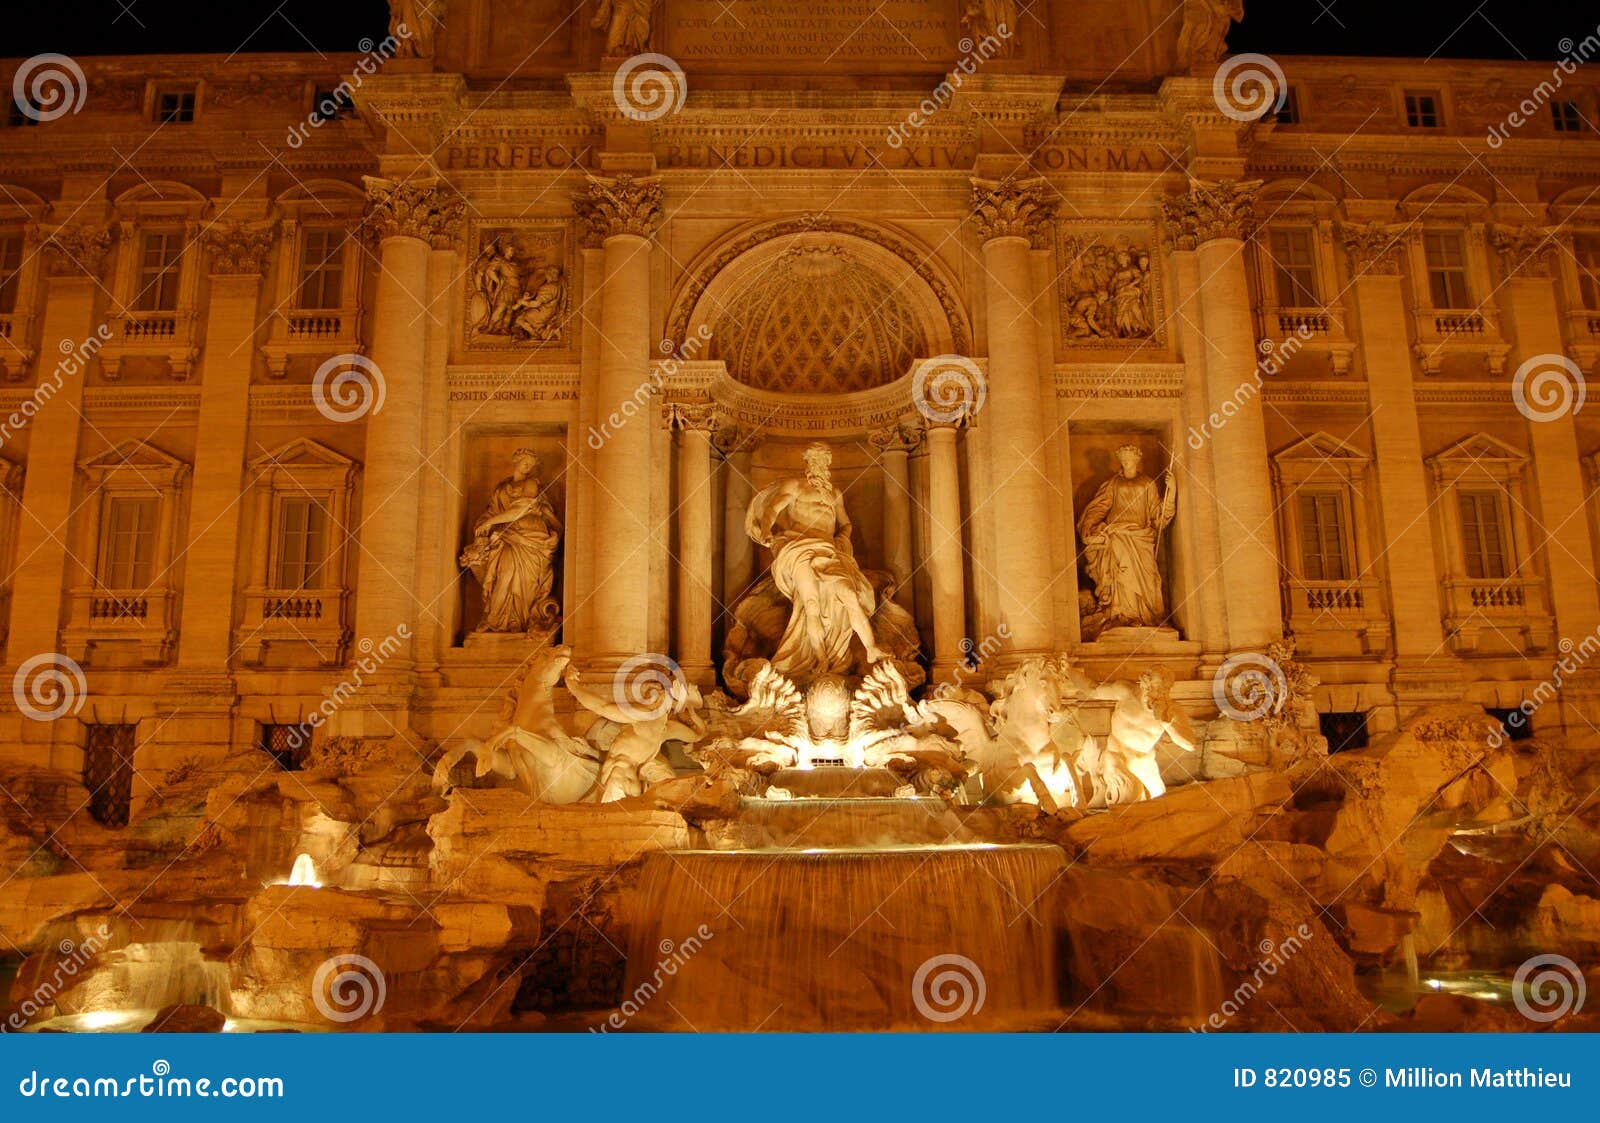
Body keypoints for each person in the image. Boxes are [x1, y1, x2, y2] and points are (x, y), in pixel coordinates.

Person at [744, 443, 888, 680]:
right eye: (815, 459)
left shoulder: (835, 494)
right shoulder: (795, 486)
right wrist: (767, 530)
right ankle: (820, 658)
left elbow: (846, 524)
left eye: (824, 460)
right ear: (808, 462)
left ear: (828, 465)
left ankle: (871, 648)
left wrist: (842, 539)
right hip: (800, 548)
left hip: (829, 551)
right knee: (811, 605)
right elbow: (772, 508)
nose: (819, 464)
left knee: (850, 594)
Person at [461, 449, 561, 632]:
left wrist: (491, 522)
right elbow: (492, 512)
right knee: (503, 576)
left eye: (531, 465)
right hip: (506, 536)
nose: (527, 466)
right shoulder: (502, 487)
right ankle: (497, 620)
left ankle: (517, 622)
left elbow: (521, 510)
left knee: (523, 581)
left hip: (531, 537)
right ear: (516, 461)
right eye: (525, 462)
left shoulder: (531, 483)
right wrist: (484, 524)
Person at [1078, 444, 1175, 628]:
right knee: (1121, 573)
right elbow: (1099, 507)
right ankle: (1122, 615)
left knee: (1148, 576)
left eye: (1129, 460)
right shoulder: (1113, 484)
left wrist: (1172, 491)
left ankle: (1146, 616)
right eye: (1123, 460)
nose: (1126, 463)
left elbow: (1158, 516)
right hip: (1118, 535)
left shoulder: (1147, 483)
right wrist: (1089, 526)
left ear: (1137, 461)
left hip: (1142, 538)